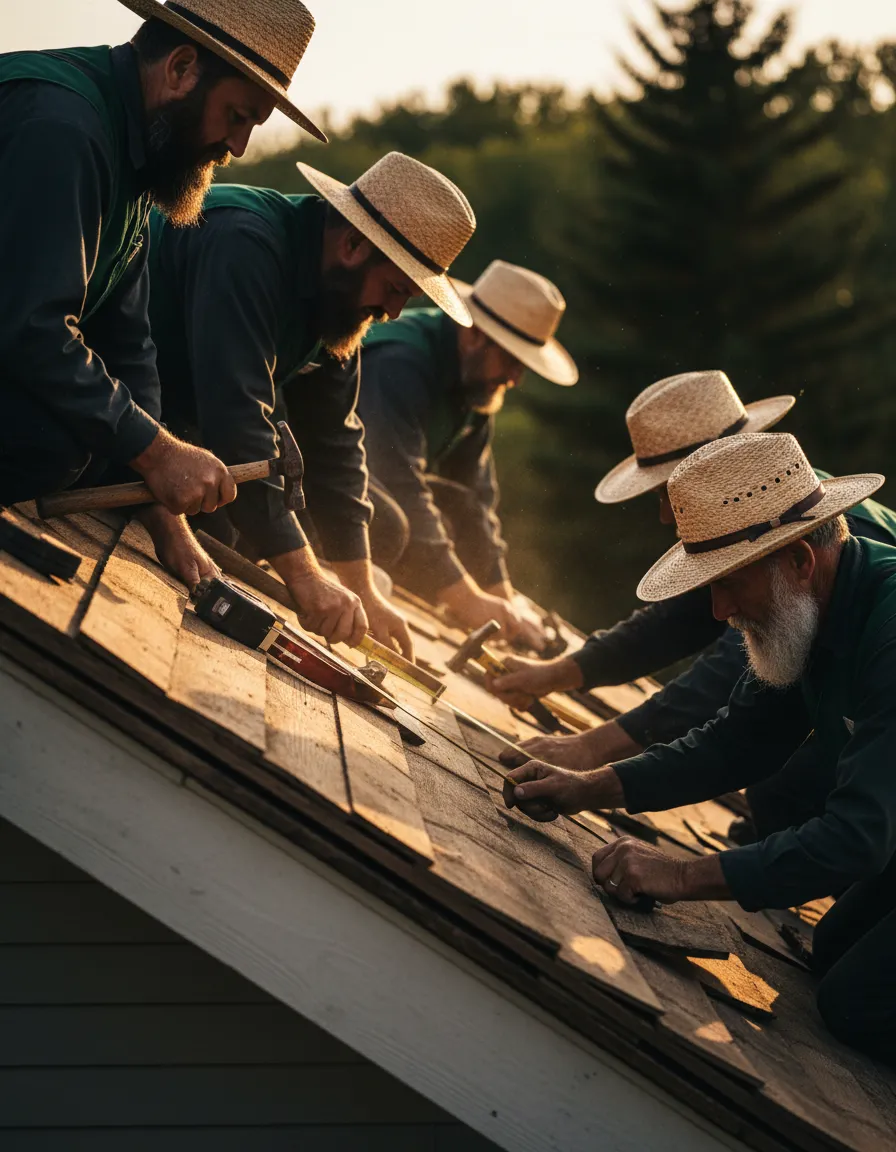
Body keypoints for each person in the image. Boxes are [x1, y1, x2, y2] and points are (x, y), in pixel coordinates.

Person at [502, 432, 896, 1062]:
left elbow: (858, 836)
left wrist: (682, 874)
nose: (718, 610)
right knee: (831, 951)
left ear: (799, 560)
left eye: (730, 582)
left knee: (854, 1004)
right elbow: (735, 744)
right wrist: (588, 787)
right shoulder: (817, 605)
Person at [490, 372, 896, 840]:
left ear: (715, 462)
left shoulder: (829, 541)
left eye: (667, 489)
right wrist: (558, 678)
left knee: (791, 791)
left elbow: (725, 675)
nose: (666, 513)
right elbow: (684, 635)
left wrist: (593, 748)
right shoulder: (759, 514)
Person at [0, 0, 323, 586]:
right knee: (50, 440)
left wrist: (162, 507)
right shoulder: (62, 127)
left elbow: (128, 343)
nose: (239, 147)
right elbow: (31, 329)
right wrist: (155, 453)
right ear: (180, 68)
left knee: (94, 440)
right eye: (237, 117)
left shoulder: (132, 160)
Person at [149, 152, 477, 652]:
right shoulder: (244, 243)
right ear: (353, 244)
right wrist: (305, 576)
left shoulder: (339, 297)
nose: (393, 312)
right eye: (395, 289)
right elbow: (237, 424)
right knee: (222, 528)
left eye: (407, 298)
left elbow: (333, 442)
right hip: (124, 411)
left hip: (186, 435)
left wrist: (362, 588)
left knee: (375, 530)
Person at [359, 260, 579, 650]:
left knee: (455, 509)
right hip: (322, 493)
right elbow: (397, 482)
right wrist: (465, 598)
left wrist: (503, 601)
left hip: (378, 498)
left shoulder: (476, 383)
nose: (515, 379)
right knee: (395, 522)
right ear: (476, 334)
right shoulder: (399, 362)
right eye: (512, 360)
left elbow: (475, 500)